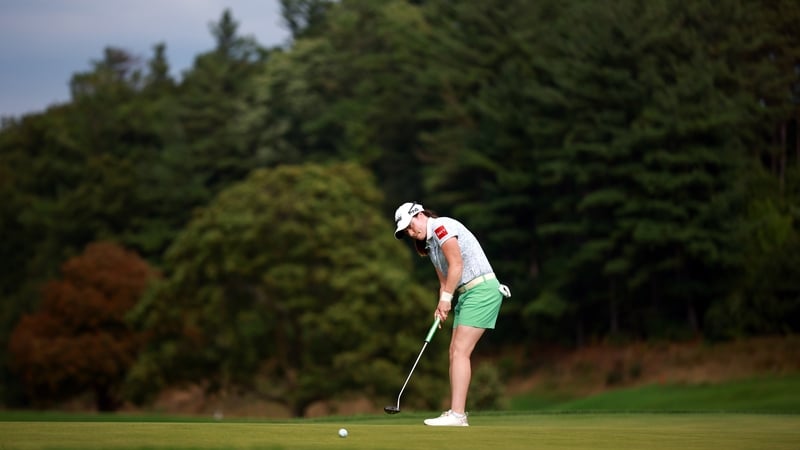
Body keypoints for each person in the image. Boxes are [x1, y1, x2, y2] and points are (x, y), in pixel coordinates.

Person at [393, 201, 510, 427]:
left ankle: (458, 415)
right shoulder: (430, 245)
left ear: (418, 214)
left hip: (482, 290)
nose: (410, 232)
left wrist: (447, 299)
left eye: (410, 226)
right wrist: (441, 303)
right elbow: (445, 280)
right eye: (406, 231)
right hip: (467, 294)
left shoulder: (441, 227)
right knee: (454, 352)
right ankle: (457, 413)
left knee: (460, 351)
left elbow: (457, 265)